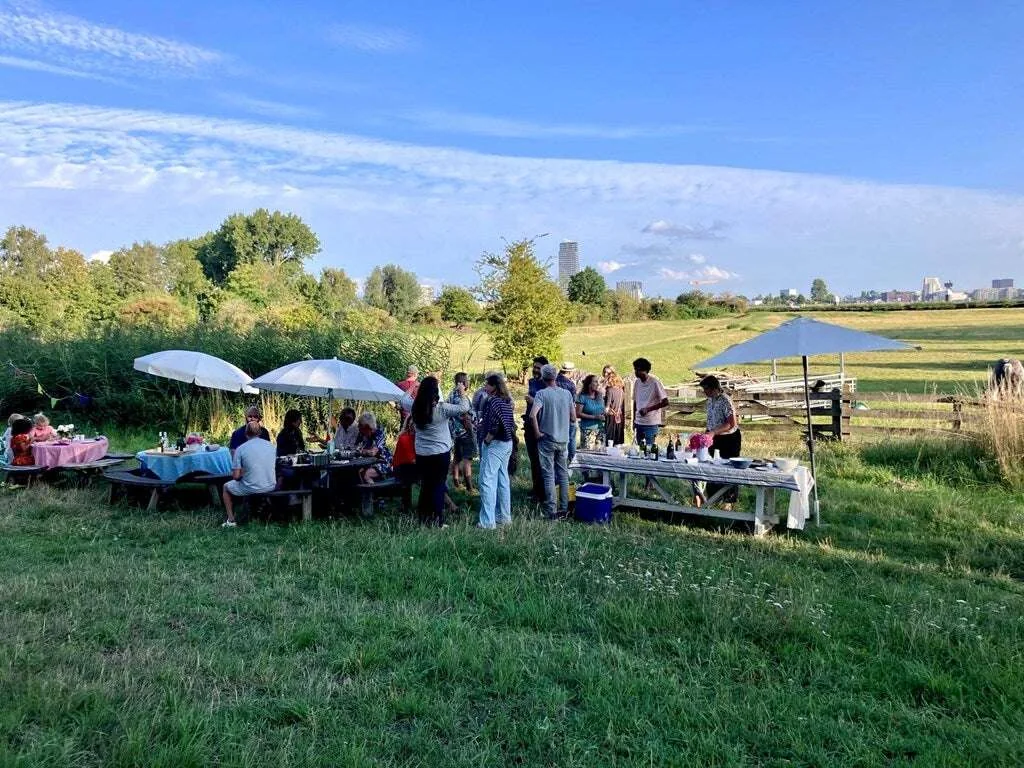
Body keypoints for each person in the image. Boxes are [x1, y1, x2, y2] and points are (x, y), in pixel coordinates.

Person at [411, 375, 469, 527]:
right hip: (439, 453)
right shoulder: (442, 409)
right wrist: (462, 392)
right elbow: (464, 408)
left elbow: (403, 400)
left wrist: (411, 388)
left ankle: (423, 518)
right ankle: (437, 521)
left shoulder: (415, 408)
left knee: (426, 486)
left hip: (422, 453)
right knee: (438, 486)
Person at [530, 363, 577, 520]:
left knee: (548, 474)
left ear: (543, 377)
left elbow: (532, 415)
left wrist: (537, 432)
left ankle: (552, 509)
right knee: (563, 474)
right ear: (556, 376)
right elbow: (572, 417)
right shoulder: (566, 394)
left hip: (547, 439)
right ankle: (564, 508)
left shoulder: (541, 394)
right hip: (563, 439)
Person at [477, 374, 516, 529]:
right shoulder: (506, 401)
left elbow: (494, 424)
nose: (485, 387)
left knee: (486, 481)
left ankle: (487, 522)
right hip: (507, 443)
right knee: (502, 480)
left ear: (494, 387)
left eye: (487, 385)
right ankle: (504, 516)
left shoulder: (493, 402)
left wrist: (487, 439)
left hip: (495, 443)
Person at [221, 421, 278, 527]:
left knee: (226, 487)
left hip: (250, 487)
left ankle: (231, 519)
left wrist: (244, 471)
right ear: (260, 432)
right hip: (270, 485)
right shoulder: (271, 446)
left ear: (246, 433)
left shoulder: (240, 449)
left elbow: (236, 476)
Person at [700, 375, 742, 509]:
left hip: (729, 438)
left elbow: (731, 423)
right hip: (715, 436)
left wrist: (713, 432)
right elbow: (711, 419)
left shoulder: (725, 400)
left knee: (729, 468)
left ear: (713, 388)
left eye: (706, 389)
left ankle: (729, 500)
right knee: (712, 466)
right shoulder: (710, 401)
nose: (704, 392)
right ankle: (713, 496)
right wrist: (707, 433)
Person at [523, 355, 549, 503]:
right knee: (534, 460)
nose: (535, 370)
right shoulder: (532, 382)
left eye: (538, 368)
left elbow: (546, 406)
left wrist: (533, 401)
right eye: (534, 367)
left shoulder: (547, 385)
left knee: (541, 461)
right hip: (529, 425)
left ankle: (542, 492)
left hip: (542, 426)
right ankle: (536, 488)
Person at [448, 372, 477, 493]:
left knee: (457, 458)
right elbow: (466, 417)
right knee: (467, 460)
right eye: (467, 380)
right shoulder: (461, 397)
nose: (468, 382)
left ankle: (456, 483)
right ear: (463, 383)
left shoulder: (451, 395)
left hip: (456, 433)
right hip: (465, 432)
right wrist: (471, 433)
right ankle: (470, 488)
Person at [632, 357, 669, 447]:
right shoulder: (637, 382)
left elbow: (665, 402)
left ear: (645, 370)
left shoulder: (655, 382)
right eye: (635, 369)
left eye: (638, 370)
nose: (636, 372)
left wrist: (648, 409)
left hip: (651, 423)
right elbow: (635, 402)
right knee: (638, 449)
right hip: (638, 422)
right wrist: (634, 420)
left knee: (649, 450)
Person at [356, 412, 392, 484]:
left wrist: (362, 451)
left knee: (367, 474)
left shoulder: (379, 433)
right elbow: (356, 447)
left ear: (367, 427)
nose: (358, 428)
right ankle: (364, 493)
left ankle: (373, 493)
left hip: (384, 462)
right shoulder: (362, 433)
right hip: (369, 462)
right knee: (357, 471)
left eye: (360, 426)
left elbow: (372, 452)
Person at [392, 416, 418, 513]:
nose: (414, 427)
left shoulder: (418, 438)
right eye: (412, 424)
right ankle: (405, 507)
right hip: (401, 468)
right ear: (408, 425)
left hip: (410, 467)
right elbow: (412, 460)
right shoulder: (404, 438)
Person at [575, 374, 606, 448]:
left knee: (600, 453)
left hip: (600, 429)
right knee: (588, 453)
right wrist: (594, 417)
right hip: (587, 430)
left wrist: (605, 413)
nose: (598, 384)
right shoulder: (582, 397)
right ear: (589, 384)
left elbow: (602, 409)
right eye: (595, 382)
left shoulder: (600, 395)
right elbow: (578, 413)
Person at [558, 363, 579, 462]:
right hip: (568, 415)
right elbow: (573, 402)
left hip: (556, 415)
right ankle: (572, 460)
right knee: (571, 438)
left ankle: (561, 459)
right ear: (570, 372)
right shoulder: (570, 385)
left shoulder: (554, 381)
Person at [603, 368, 626, 446]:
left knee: (609, 441)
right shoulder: (621, 391)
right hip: (619, 417)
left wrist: (603, 414)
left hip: (611, 417)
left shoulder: (610, 390)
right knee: (617, 442)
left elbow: (607, 406)